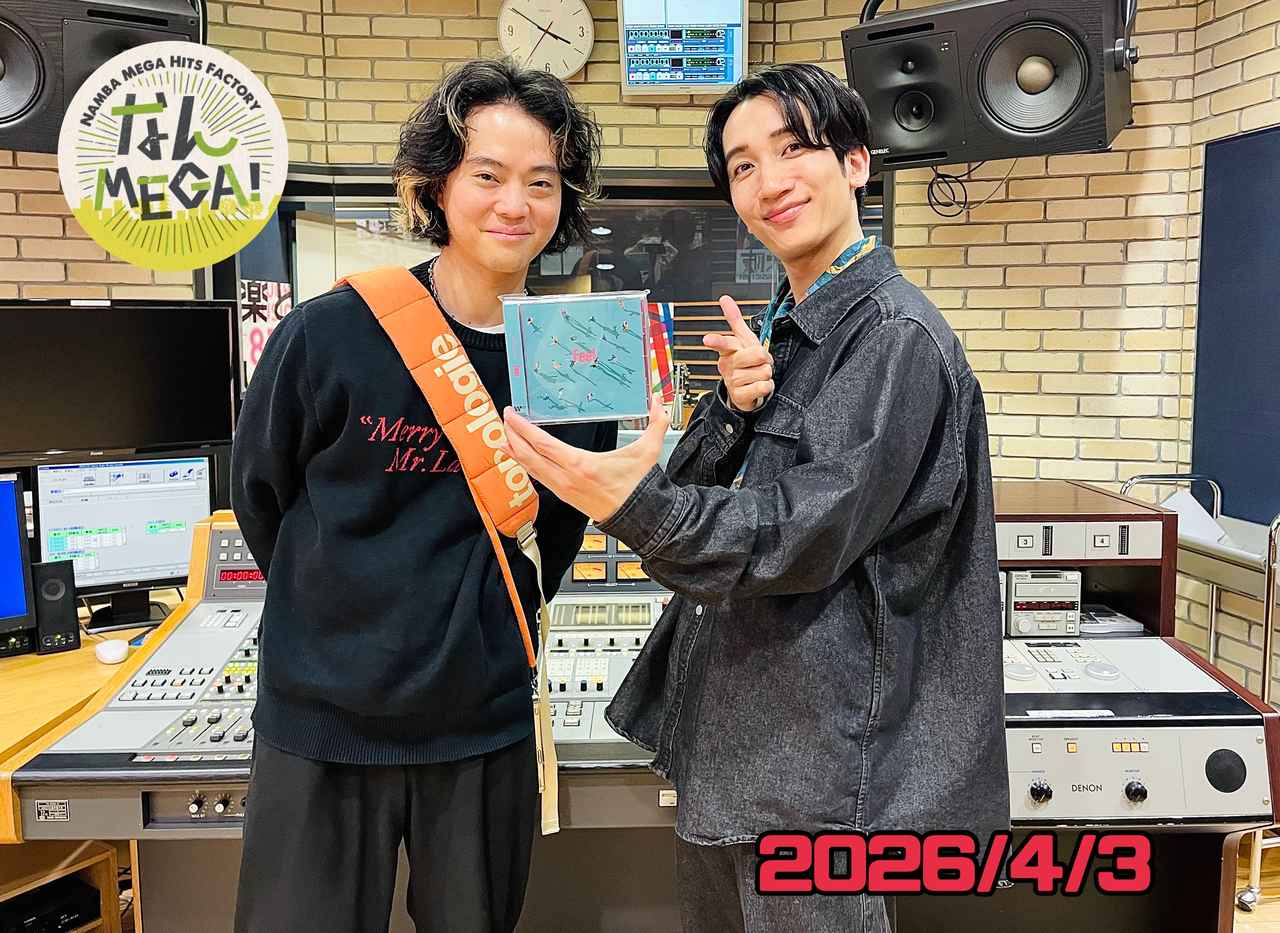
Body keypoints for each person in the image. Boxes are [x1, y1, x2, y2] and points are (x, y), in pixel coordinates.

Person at [500, 63, 1008, 933]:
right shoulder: (790, 328)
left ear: (856, 162)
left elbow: (801, 533)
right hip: (745, 754)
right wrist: (732, 410)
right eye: (742, 166)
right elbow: (699, 488)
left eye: (793, 148)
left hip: (818, 782)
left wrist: (631, 505)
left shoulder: (894, 337)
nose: (768, 182)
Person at [230, 58, 616, 933]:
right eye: (487, 175)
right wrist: (342, 613)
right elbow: (261, 495)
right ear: (436, 186)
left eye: (541, 182)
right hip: (321, 724)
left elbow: (557, 533)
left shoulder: (575, 355)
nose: (514, 204)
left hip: (482, 728)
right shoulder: (330, 332)